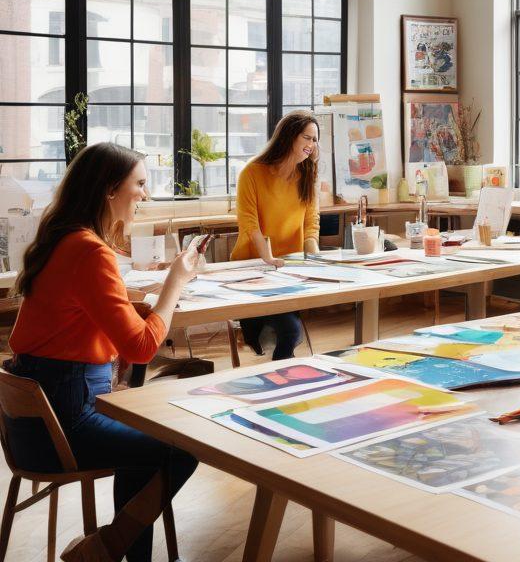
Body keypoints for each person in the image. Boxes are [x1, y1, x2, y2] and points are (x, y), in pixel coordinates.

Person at [5, 142, 200, 562]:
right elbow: (143, 347)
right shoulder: (91, 251)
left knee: (142, 450)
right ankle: (108, 548)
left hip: (31, 425)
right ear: (110, 190)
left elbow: (72, 312)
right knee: (179, 451)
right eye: (141, 184)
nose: (145, 194)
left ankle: (121, 552)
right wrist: (175, 283)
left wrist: (137, 300)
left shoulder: (61, 239)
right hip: (66, 422)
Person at [232, 110, 321, 360]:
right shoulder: (252, 172)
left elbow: (310, 223)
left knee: (289, 332)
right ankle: (253, 328)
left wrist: (316, 259)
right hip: (253, 269)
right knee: (290, 331)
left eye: (315, 140)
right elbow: (250, 225)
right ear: (289, 136)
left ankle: (258, 336)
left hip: (289, 271)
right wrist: (268, 258)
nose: (312, 146)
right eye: (307, 138)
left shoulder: (307, 175)